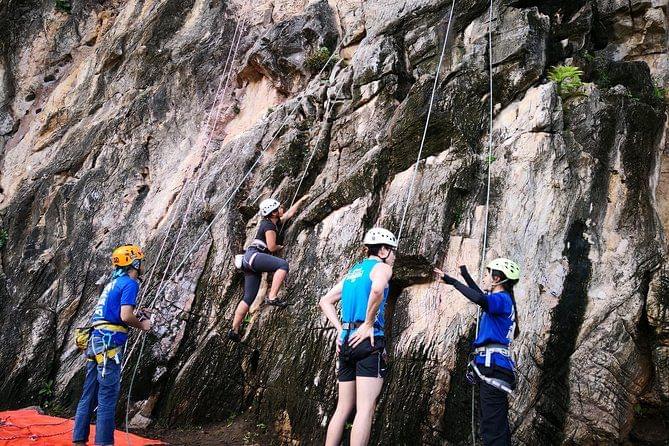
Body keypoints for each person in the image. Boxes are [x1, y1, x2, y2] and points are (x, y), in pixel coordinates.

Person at [319, 227, 397, 446]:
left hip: (346, 342)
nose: (393, 256)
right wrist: (369, 322)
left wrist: (339, 328)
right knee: (365, 409)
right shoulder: (381, 268)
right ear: (383, 250)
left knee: (343, 408)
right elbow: (378, 289)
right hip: (367, 341)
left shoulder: (354, 272)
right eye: (392, 251)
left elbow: (325, 301)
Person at [434, 258, 521, 446]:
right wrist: (463, 274)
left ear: (497, 278)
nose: (485, 277)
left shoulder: (502, 299)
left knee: (493, 429)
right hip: (493, 368)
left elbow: (480, 299)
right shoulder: (501, 301)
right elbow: (481, 297)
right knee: (495, 426)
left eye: (488, 274)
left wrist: (454, 282)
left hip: (494, 369)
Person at [73, 244, 152, 446]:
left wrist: (136, 314)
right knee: (107, 396)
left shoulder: (112, 283)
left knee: (88, 394)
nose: (142, 264)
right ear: (134, 262)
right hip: (109, 344)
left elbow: (115, 312)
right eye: (140, 261)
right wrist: (143, 324)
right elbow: (125, 316)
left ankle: (79, 440)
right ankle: (104, 443)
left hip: (95, 340)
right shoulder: (130, 283)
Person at [228, 195, 309, 342]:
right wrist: (280, 247)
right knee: (282, 265)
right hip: (254, 256)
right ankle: (272, 297)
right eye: (278, 208)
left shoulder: (274, 222)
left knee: (248, 297)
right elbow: (271, 247)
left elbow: (289, 213)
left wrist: (302, 200)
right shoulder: (269, 226)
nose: (281, 208)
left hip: (249, 260)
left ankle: (234, 329)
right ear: (273, 212)